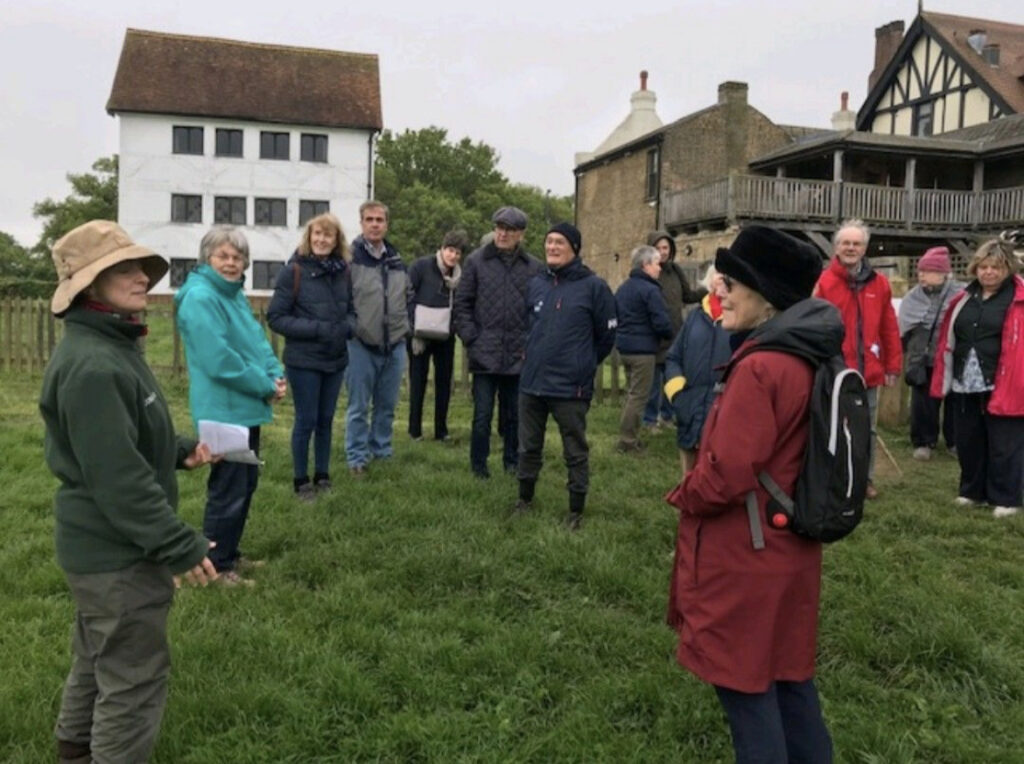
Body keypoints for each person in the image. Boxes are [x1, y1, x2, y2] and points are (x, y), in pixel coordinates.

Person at [40, 220, 218, 764]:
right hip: (116, 555)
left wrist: (176, 448)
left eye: (140, 266)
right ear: (89, 286)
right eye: (123, 269)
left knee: (97, 657)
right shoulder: (94, 365)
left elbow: (116, 442)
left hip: (101, 551)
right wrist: (178, 543)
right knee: (133, 678)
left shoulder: (109, 346)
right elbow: (117, 481)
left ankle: (74, 753)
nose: (142, 277)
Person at [666, 225, 839, 763]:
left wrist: (683, 493)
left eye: (733, 283)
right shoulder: (808, 354)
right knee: (789, 682)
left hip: (748, 554)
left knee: (746, 691)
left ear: (765, 296)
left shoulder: (762, 366)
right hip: (790, 549)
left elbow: (725, 474)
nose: (721, 291)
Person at [175, 226, 286, 586]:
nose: (231, 263)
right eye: (223, 256)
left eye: (238, 257)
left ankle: (229, 552)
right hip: (223, 409)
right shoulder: (200, 298)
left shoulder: (233, 295)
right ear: (206, 258)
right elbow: (218, 360)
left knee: (244, 483)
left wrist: (276, 374)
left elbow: (256, 342)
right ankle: (216, 566)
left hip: (244, 404)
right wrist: (264, 385)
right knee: (228, 489)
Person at [516, 223, 617, 530]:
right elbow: (527, 326)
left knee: (574, 449)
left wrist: (582, 363)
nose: (552, 247)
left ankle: (575, 510)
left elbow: (606, 336)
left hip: (570, 387)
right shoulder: (537, 284)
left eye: (559, 242)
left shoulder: (594, 287)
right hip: (532, 383)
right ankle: (524, 500)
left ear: (574, 247)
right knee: (528, 446)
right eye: (548, 242)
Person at [930, 234, 1024, 517]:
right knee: (969, 440)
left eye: (996, 267)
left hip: (1006, 380)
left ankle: (1006, 497)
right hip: (965, 379)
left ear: (1007, 268)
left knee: (1004, 443)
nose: (989, 272)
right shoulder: (963, 298)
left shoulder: (1018, 299)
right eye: (984, 266)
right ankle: (971, 491)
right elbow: (948, 337)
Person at [814, 219, 901, 499]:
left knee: (868, 429)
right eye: (845, 243)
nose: (851, 248)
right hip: (834, 369)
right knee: (833, 427)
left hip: (868, 370)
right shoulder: (823, 283)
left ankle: (865, 479)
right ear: (836, 247)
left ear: (865, 248)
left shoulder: (880, 284)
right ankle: (834, 478)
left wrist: (892, 365)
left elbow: (889, 327)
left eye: (857, 243)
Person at [267, 213, 351, 501]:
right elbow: (276, 318)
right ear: (308, 237)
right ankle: (301, 481)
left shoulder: (345, 271)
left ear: (336, 240)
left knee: (326, 419)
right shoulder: (293, 271)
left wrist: (348, 328)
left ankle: (323, 475)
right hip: (303, 360)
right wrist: (318, 330)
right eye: (317, 234)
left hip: (336, 358)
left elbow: (352, 310)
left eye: (328, 235)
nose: (321, 240)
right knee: (306, 420)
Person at [454, 206, 541, 479]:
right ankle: (479, 466)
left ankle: (512, 462)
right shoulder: (475, 262)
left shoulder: (533, 267)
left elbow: (538, 310)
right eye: (499, 228)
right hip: (485, 352)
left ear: (521, 234)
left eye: (509, 230)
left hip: (519, 353)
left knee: (515, 416)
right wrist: (471, 338)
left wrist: (530, 343)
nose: (502, 234)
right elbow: (462, 304)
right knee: (482, 416)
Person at [345, 200, 411, 476]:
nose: (375, 224)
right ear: (361, 223)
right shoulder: (349, 259)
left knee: (386, 405)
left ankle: (381, 450)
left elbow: (408, 297)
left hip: (394, 343)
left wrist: (408, 326)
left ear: (387, 224)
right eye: (369, 219)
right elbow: (342, 300)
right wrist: (351, 327)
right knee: (359, 406)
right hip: (361, 344)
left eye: (380, 220)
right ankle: (357, 457)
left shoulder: (396, 260)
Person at [663, 263, 732, 479]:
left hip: (724, 412)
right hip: (690, 408)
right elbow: (674, 357)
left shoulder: (741, 322)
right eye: (719, 275)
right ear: (710, 280)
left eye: (729, 278)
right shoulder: (695, 317)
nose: (722, 280)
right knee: (688, 482)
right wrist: (678, 394)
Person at [897, 246, 964, 461]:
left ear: (943, 273)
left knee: (956, 401)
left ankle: (955, 442)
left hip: (953, 356)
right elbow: (903, 329)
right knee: (923, 401)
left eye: (928, 271)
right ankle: (924, 441)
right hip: (923, 358)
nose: (922, 275)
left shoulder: (962, 295)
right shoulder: (912, 297)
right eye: (920, 271)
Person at [406, 230, 468, 442]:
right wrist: (413, 327)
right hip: (419, 334)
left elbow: (461, 304)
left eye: (458, 253)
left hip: (445, 335)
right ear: (442, 249)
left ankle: (441, 430)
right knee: (418, 382)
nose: (453, 256)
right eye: (450, 250)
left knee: (444, 383)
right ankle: (414, 430)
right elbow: (407, 296)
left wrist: (456, 326)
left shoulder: (459, 276)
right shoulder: (421, 266)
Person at [643, 230, 706, 430]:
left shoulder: (676, 271)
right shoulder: (648, 272)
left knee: (672, 380)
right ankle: (649, 419)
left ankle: (667, 416)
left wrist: (708, 288)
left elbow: (688, 296)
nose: (662, 252)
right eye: (658, 248)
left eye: (665, 248)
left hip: (675, 335)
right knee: (653, 384)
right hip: (654, 335)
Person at [613, 244, 673, 452]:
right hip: (643, 351)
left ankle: (630, 435)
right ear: (646, 265)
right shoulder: (650, 290)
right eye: (657, 263)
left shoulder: (624, 287)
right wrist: (667, 335)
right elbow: (662, 322)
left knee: (631, 394)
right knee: (639, 396)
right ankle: (627, 441)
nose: (659, 268)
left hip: (625, 348)